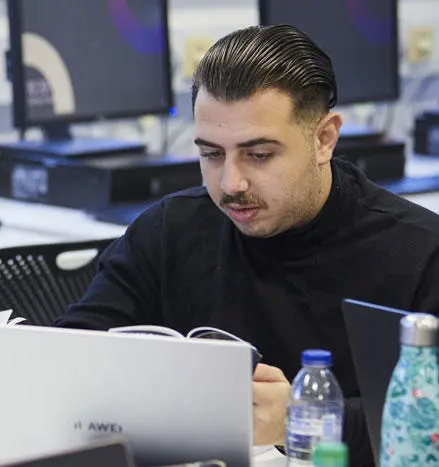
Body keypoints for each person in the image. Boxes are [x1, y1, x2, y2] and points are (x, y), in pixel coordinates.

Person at [56, 24, 439, 466]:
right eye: (211, 154)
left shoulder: (418, 253)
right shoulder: (169, 231)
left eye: (259, 155)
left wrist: (307, 418)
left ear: (324, 139)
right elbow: (72, 360)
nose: (230, 183)